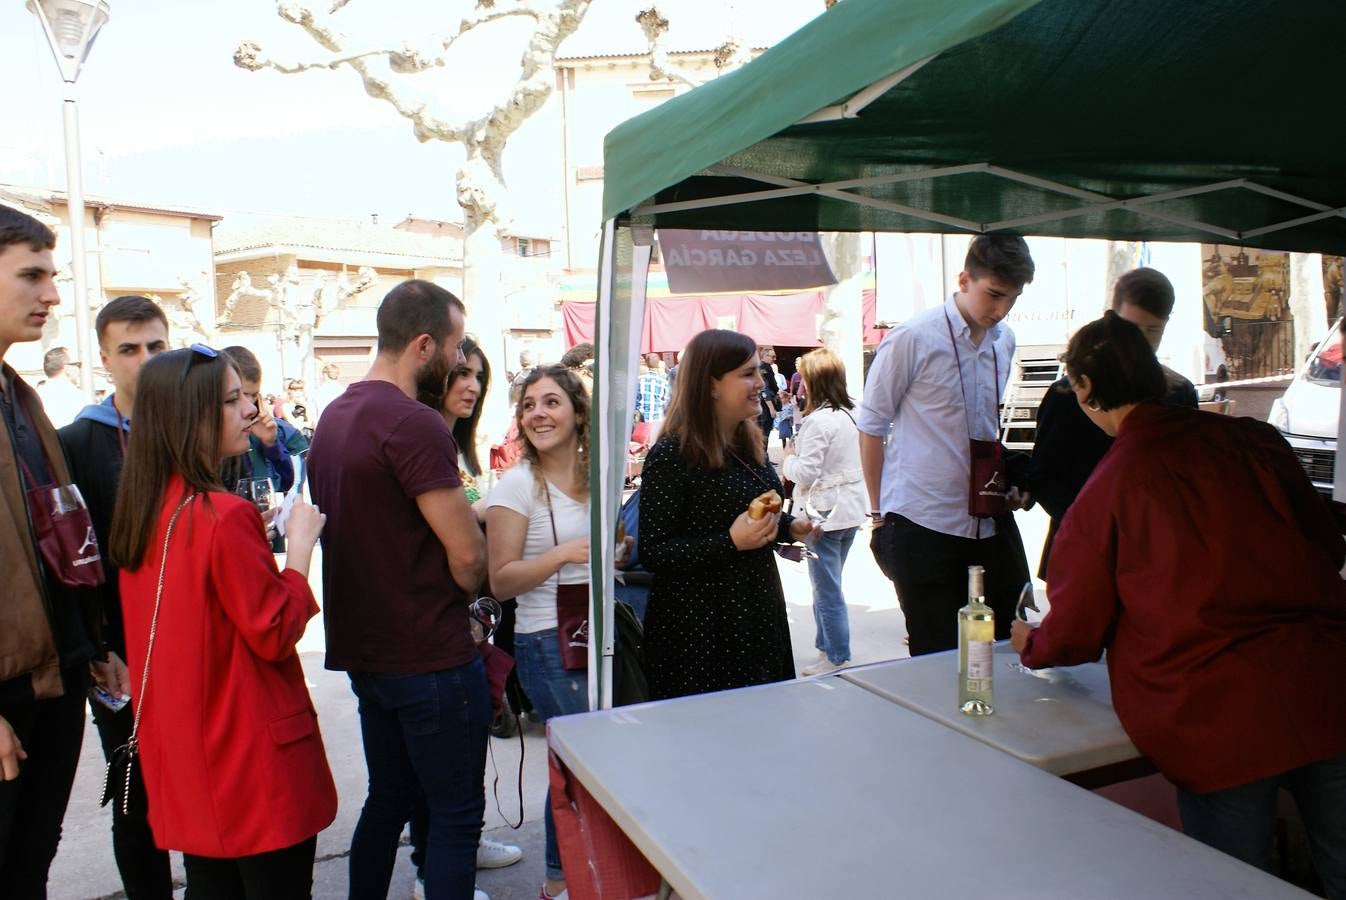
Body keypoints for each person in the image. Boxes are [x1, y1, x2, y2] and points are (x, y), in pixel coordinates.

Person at [1010, 312, 1346, 897]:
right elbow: (1327, 542)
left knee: (1234, 884)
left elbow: (1074, 631)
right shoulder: (1255, 440)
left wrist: (1031, 643)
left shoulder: (1112, 485)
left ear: (1085, 389)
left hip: (1216, 714)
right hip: (1323, 684)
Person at [109, 345, 336, 898]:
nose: (249, 410)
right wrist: (299, 550)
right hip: (252, 761)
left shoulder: (146, 510)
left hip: (189, 761)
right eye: (232, 400)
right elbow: (277, 630)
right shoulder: (220, 514)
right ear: (192, 417)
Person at [307, 279, 491, 900]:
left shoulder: (334, 416)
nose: (461, 359)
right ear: (423, 345)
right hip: (428, 653)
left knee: (388, 799)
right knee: (456, 815)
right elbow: (466, 554)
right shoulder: (413, 424)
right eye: (456, 344)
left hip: (370, 654)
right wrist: (473, 596)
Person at [0, 204, 121, 897]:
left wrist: (90, 638)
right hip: (9, 690)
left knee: (30, 863)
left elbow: (52, 533)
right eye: (32, 276)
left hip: (55, 675)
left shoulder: (20, 395)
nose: (51, 295)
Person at [859, 234, 1035, 656]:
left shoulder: (1004, 341)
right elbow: (870, 425)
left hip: (987, 519)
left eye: (1011, 299)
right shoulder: (913, 337)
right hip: (923, 520)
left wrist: (1006, 483)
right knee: (935, 655)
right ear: (964, 279)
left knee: (999, 647)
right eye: (993, 295)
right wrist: (878, 515)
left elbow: (985, 430)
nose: (1001, 309)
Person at [58, 294, 173, 899]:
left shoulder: (199, 430)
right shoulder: (76, 442)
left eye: (156, 345)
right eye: (129, 349)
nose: (145, 360)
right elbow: (71, 558)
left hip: (193, 643)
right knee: (135, 797)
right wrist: (96, 647)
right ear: (104, 360)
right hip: (121, 656)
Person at [639, 329, 815, 700]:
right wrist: (730, 542)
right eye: (747, 374)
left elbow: (742, 515)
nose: (760, 382)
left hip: (755, 610)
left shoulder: (745, 442)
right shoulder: (672, 454)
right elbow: (654, 552)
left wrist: (789, 527)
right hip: (699, 630)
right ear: (712, 384)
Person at [486, 365, 593, 900]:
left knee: (580, 763)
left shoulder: (595, 473)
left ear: (578, 411)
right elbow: (500, 580)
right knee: (580, 765)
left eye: (551, 402)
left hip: (593, 635)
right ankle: (559, 879)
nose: (538, 414)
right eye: (529, 405)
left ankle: (567, 874)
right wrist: (561, 555)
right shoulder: (518, 484)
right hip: (546, 640)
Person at [1028, 267, 1198, 575]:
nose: (1141, 345)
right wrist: (1093, 525)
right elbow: (1043, 475)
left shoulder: (1179, 392)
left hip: (1154, 558)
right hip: (1080, 552)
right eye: (1132, 330)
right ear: (1111, 319)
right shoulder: (1068, 393)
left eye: (1153, 331)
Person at [781, 349, 868, 676]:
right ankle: (826, 650)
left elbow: (804, 472)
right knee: (828, 587)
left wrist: (788, 459)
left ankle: (836, 656)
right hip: (850, 511)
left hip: (823, 516)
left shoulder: (819, 420)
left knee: (827, 591)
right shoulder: (853, 411)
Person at [220, 346, 304, 493]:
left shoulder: (260, 428)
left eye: (254, 395)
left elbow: (284, 482)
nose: (251, 405)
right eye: (240, 395)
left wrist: (270, 444)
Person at [35, 346, 84, 427]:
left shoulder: (34, 397)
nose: (79, 369)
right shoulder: (79, 398)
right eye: (78, 365)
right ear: (67, 368)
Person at [634, 351, 671, 442]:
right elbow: (667, 403)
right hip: (657, 420)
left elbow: (634, 401)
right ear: (659, 363)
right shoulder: (664, 382)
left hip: (641, 421)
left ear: (646, 363)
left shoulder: (638, 380)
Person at [754, 345, 782, 450]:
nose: (774, 359)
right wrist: (771, 407)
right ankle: (763, 459)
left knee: (763, 432)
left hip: (761, 404)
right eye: (772, 357)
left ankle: (764, 458)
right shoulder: (765, 367)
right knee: (764, 432)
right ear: (765, 355)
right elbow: (764, 389)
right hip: (765, 406)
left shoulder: (760, 367)